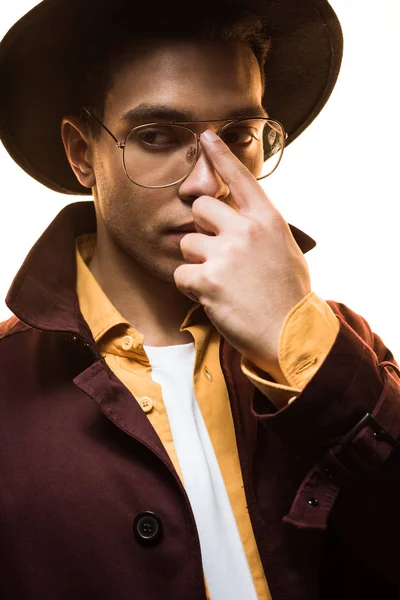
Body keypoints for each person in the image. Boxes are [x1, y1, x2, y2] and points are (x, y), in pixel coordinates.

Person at [0, 0, 399, 598]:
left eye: (239, 136)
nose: (208, 182)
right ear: (83, 153)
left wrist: (302, 345)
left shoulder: (338, 343)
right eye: (157, 136)